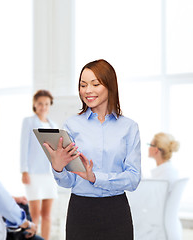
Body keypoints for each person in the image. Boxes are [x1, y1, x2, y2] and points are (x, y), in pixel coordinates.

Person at [43, 59, 141, 240]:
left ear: (110, 85)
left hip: (116, 212)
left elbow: (134, 178)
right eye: (82, 85)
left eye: (95, 84)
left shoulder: (129, 127)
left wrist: (95, 178)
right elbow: (68, 181)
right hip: (81, 211)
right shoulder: (71, 125)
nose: (87, 90)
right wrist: (58, 168)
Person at [20, 90, 58, 240]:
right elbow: (24, 146)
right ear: (34, 105)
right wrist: (24, 171)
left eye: (46, 104)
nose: (43, 107)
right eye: (40, 103)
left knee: (47, 215)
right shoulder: (28, 122)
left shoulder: (53, 124)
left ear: (50, 105)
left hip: (50, 174)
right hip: (33, 174)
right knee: (35, 215)